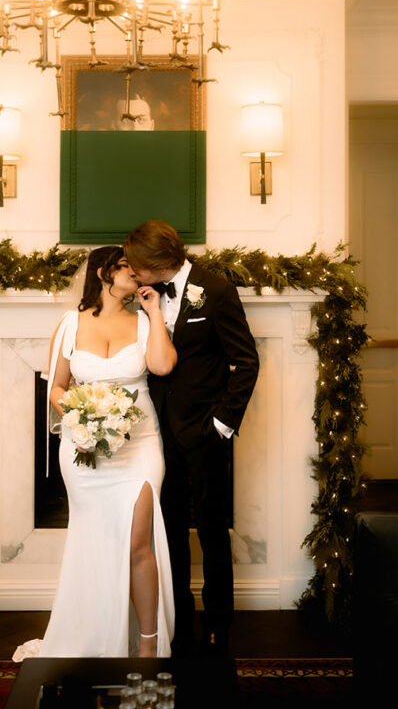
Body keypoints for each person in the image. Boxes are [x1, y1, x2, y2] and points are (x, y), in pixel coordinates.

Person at [14, 245, 176, 660]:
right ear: (105, 272)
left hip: (139, 446)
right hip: (85, 450)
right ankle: (93, 632)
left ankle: (147, 644)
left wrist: (156, 311)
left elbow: (161, 366)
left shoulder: (143, 321)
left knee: (140, 541)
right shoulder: (70, 324)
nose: (138, 275)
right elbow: (56, 388)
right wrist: (83, 420)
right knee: (95, 541)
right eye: (128, 268)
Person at [124, 220, 260, 656]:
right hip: (158, 436)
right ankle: (178, 618)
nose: (131, 273)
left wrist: (221, 424)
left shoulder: (215, 291)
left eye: (137, 267)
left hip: (205, 435)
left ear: (159, 264)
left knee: (214, 531)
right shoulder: (143, 299)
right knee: (171, 533)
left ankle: (219, 622)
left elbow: (247, 361)